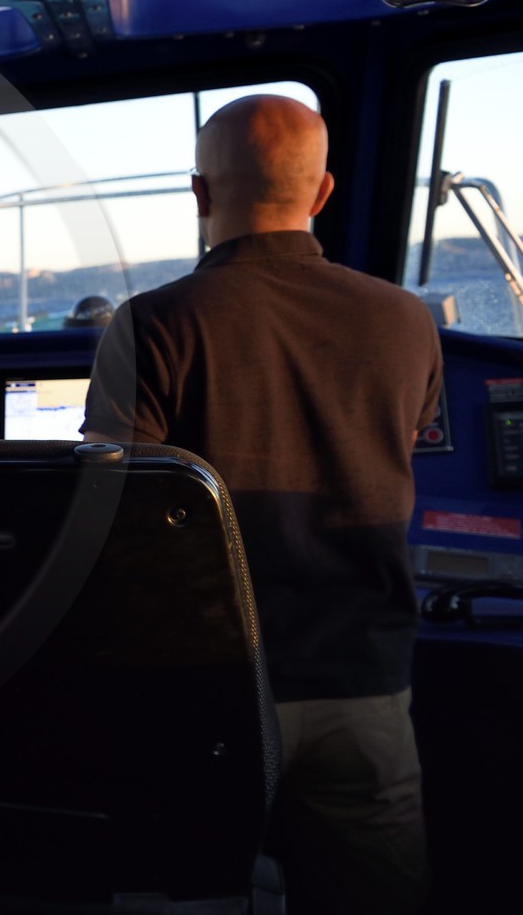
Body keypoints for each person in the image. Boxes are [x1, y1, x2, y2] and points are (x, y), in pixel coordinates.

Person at [81, 96, 443, 915]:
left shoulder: (154, 324)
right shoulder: (406, 319)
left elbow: (111, 513)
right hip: (364, 683)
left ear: (201, 194)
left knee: (191, 888)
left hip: (208, 690)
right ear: (322, 193)